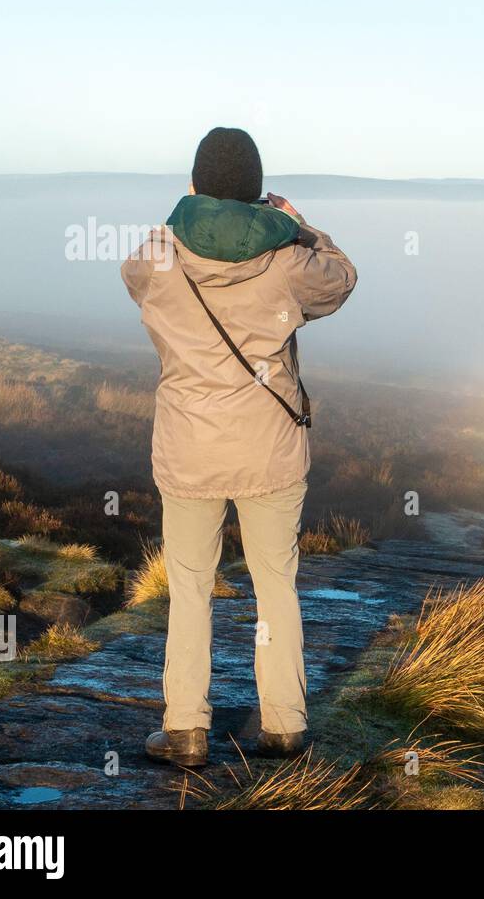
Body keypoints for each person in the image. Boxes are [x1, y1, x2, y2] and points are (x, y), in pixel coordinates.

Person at [121, 127, 356, 767]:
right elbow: (341, 280)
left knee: (190, 588)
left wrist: (187, 210)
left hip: (188, 450)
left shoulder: (159, 258)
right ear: (257, 195)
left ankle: (186, 730)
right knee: (275, 584)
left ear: (196, 187)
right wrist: (301, 227)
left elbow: (133, 271)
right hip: (270, 451)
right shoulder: (288, 263)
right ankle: (283, 723)